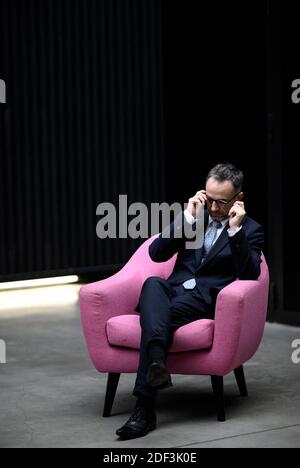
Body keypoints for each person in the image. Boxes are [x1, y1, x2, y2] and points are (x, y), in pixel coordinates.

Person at [116, 163, 264, 440]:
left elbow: (250, 273)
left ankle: (144, 409)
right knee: (152, 283)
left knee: (156, 319)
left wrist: (234, 231)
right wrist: (186, 216)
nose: (214, 208)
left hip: (203, 301)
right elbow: (157, 254)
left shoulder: (250, 230)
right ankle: (157, 363)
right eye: (209, 199)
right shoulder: (194, 219)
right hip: (172, 293)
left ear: (238, 199)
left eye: (221, 202)